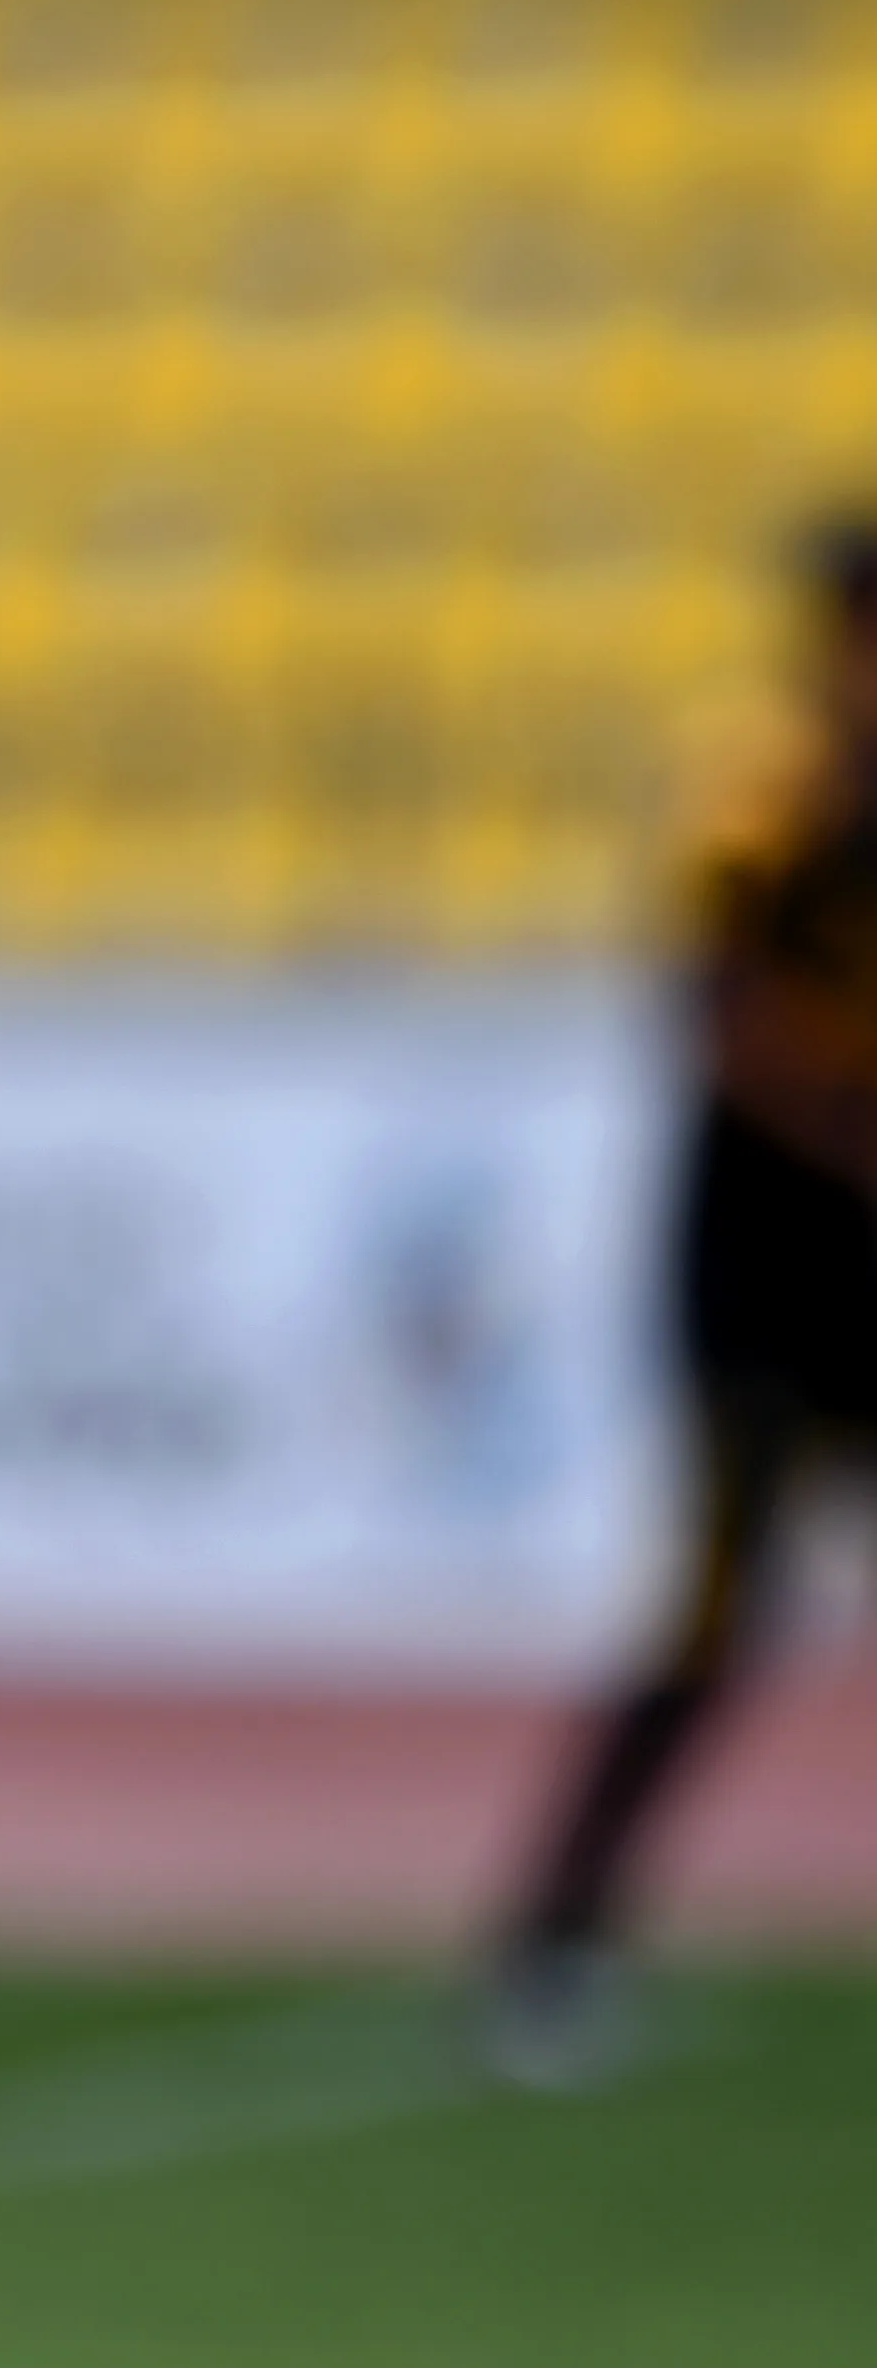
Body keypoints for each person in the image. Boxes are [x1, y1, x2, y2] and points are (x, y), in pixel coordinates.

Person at [492, 520, 877, 2087]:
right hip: (757, 1277)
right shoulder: (767, 788)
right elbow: (715, 1015)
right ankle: (551, 1942)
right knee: (715, 1609)